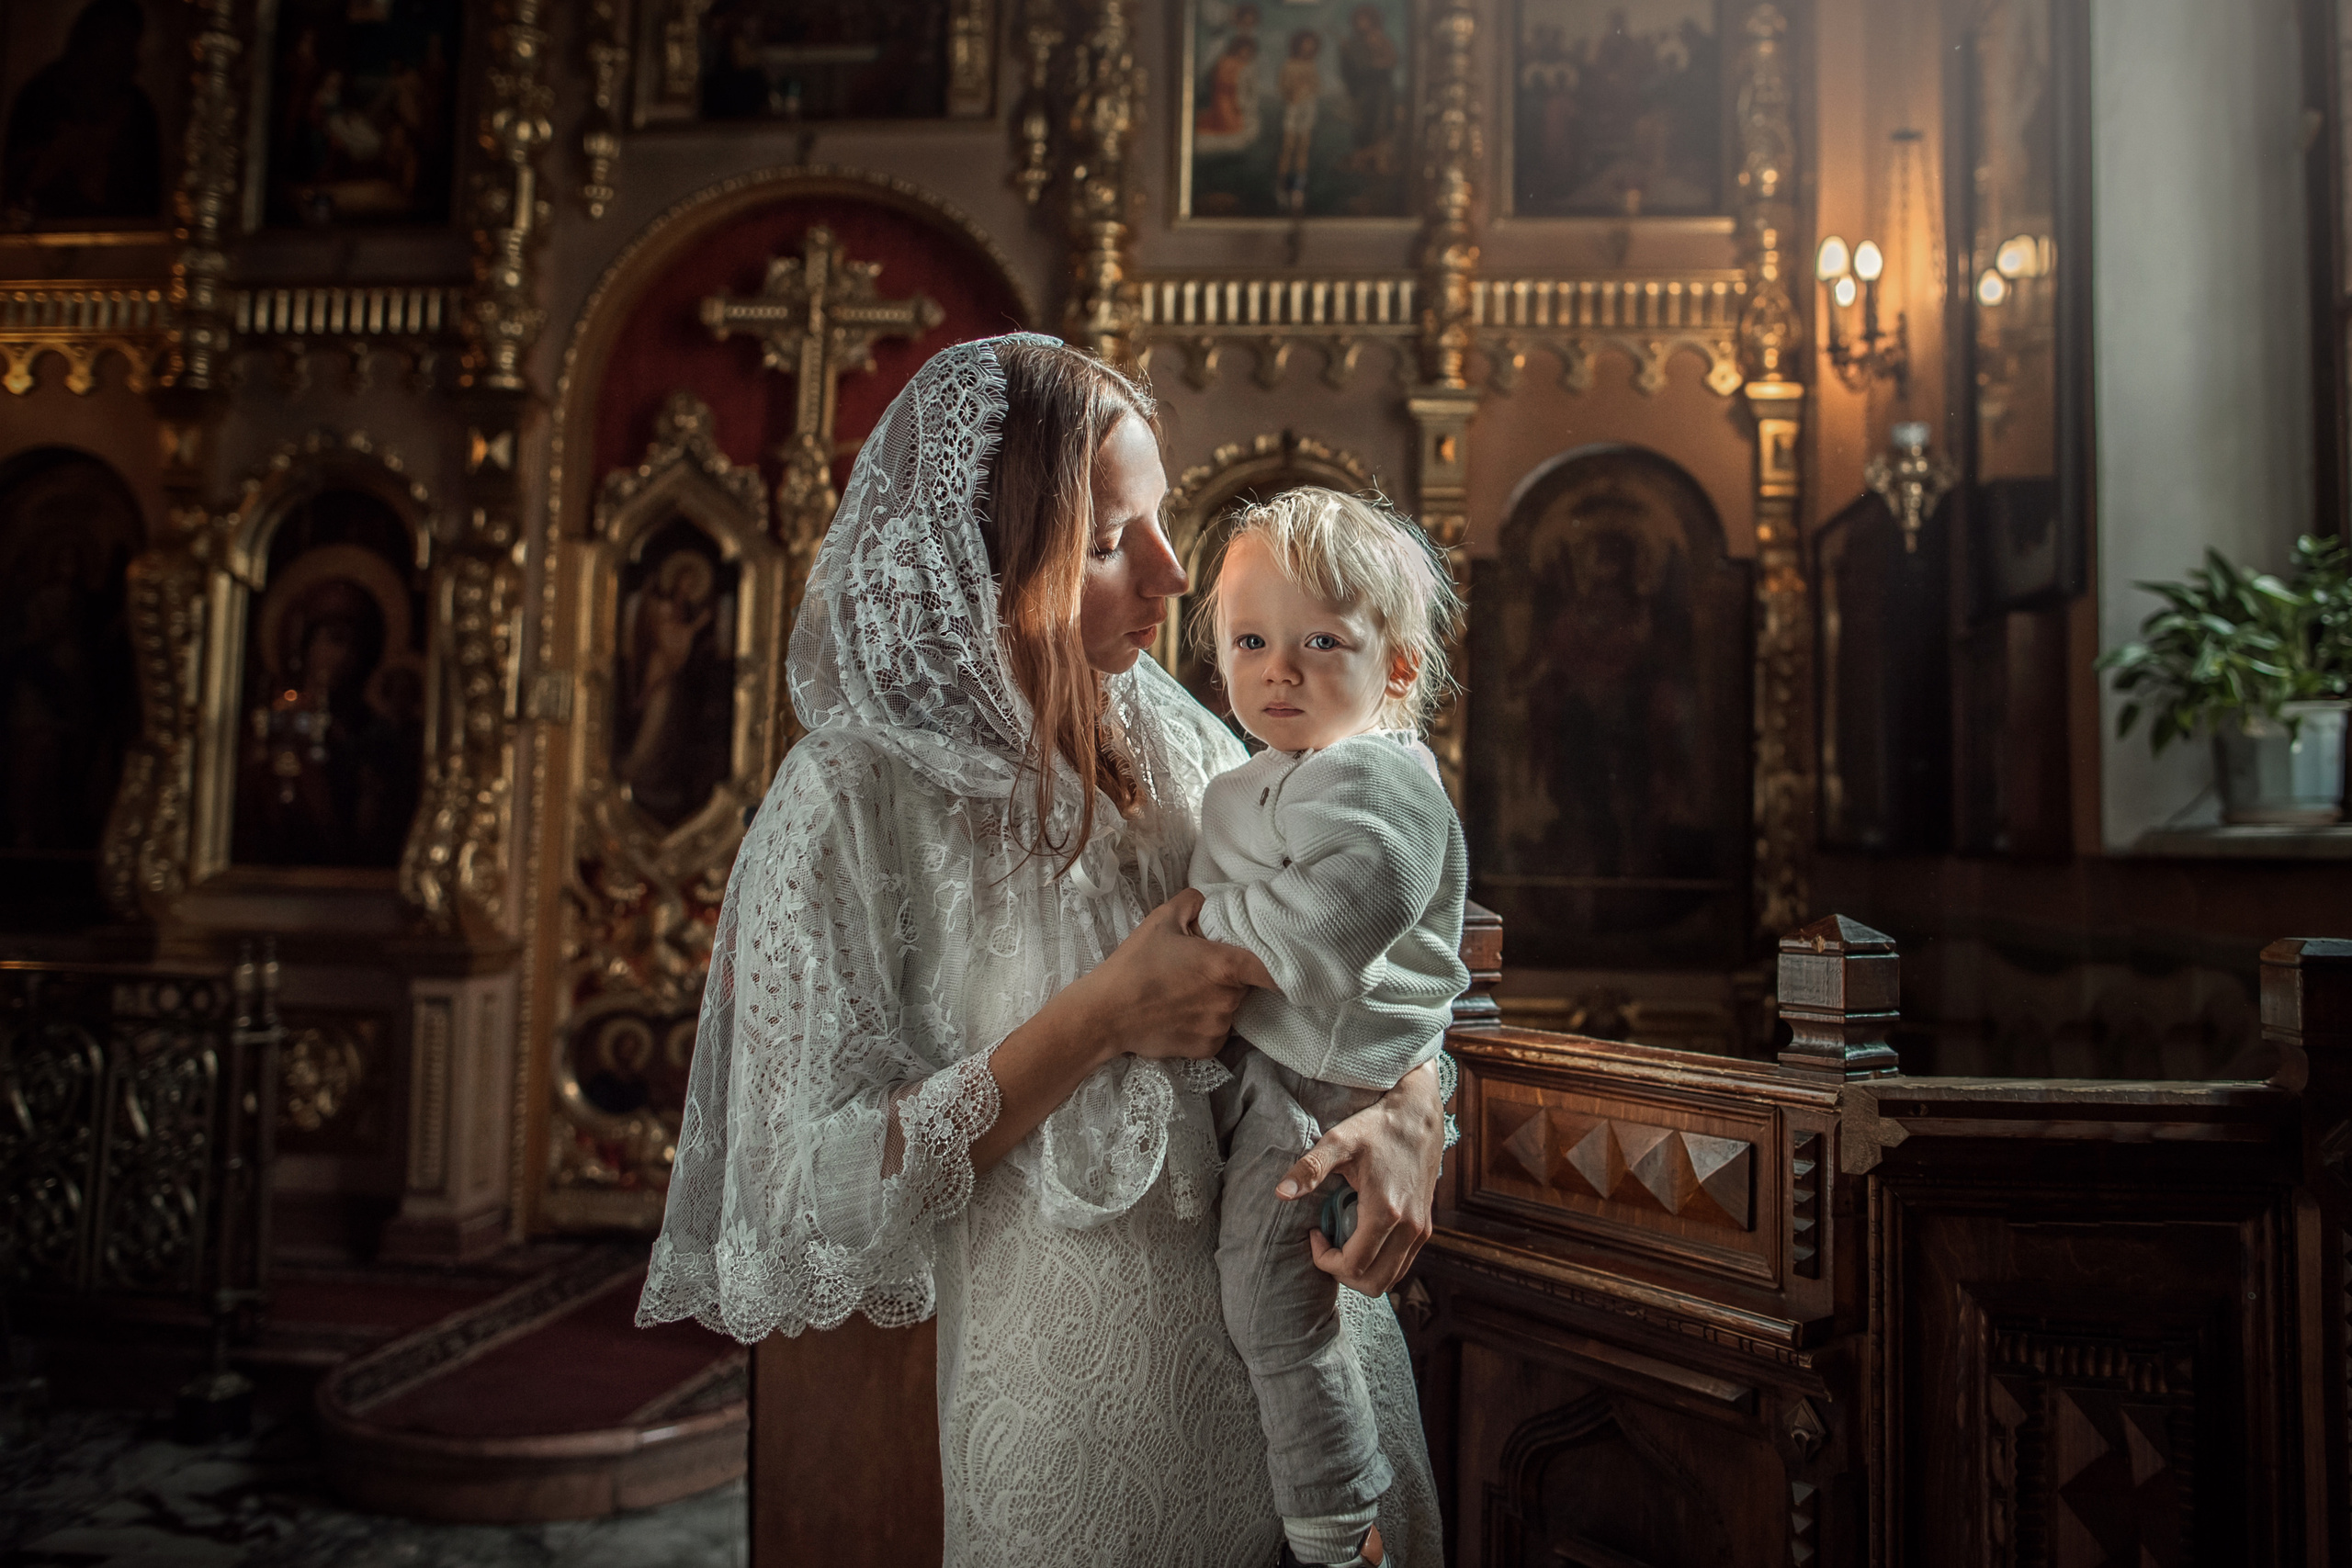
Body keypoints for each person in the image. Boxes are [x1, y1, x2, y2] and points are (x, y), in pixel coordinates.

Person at [638, 334, 1452, 1566]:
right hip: (1084, 1435)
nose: (1175, 575)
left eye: (1161, 522)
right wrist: (1102, 1014)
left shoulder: (1195, 746)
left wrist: (1410, 1113)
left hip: (1326, 1383)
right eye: (1116, 538)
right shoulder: (850, 802)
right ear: (988, 560)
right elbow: (808, 1194)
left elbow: (1389, 930)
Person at [1188, 490, 1467, 1568]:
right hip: (1297, 1063)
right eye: (1252, 643)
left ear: (1394, 669)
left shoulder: (1377, 780)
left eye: (1320, 643)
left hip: (1328, 1086)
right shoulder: (1278, 771)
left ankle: (1337, 1526)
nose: (1279, 672)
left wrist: (1199, 926)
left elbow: (1319, 930)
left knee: (1271, 1303)